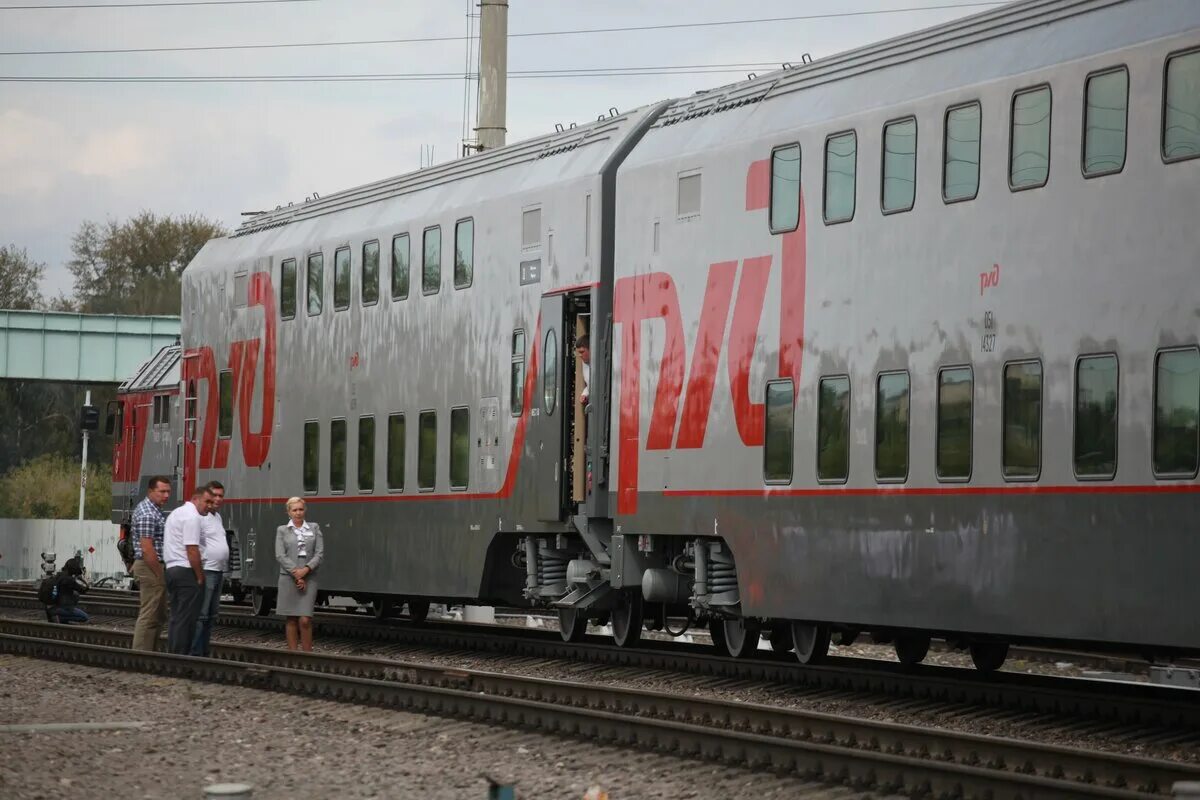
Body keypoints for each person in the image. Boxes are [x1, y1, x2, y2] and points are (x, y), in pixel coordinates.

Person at [162, 485, 213, 655]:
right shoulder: (193, 518)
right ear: (195, 499)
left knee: (177, 616)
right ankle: (180, 656)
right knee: (187, 618)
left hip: (172, 569)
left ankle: (174, 652)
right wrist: (199, 577)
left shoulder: (176, 513)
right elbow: (192, 549)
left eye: (212, 502)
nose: (209, 506)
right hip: (186, 571)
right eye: (207, 501)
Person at [275, 497, 323, 652]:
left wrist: (306, 570)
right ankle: (293, 654)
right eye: (294, 510)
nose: (298, 513)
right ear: (288, 512)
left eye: (300, 509)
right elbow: (280, 555)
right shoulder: (282, 530)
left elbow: (319, 553)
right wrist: (296, 573)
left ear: (305, 510)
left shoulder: (314, 528)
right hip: (288, 577)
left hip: (310, 576)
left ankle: (307, 655)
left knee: (305, 619)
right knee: (291, 619)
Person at [130, 476, 171, 651]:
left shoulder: (154, 510)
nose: (167, 495)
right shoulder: (148, 513)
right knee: (150, 614)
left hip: (151, 565)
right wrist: (159, 574)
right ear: (151, 491)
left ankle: (149, 652)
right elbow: (147, 549)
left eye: (168, 491)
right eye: (162, 491)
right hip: (150, 566)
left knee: (157, 614)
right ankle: (141, 654)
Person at [190, 480, 228, 657]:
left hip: (218, 571)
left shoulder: (217, 517)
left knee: (212, 615)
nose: (218, 499)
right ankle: (195, 652)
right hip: (207, 570)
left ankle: (203, 651)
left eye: (221, 496)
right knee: (202, 614)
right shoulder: (200, 517)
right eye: (215, 496)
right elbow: (194, 544)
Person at [47, 557, 90, 624]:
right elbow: (83, 590)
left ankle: (59, 617)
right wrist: (83, 580)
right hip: (63, 607)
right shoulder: (69, 580)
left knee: (74, 595)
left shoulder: (58, 575)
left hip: (52, 606)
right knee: (85, 617)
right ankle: (60, 618)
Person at [576, 334, 591, 406]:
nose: (580, 355)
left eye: (582, 352)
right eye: (579, 352)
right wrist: (584, 395)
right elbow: (590, 385)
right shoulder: (584, 363)